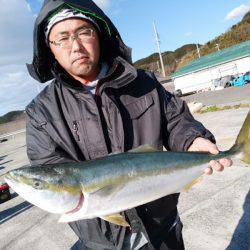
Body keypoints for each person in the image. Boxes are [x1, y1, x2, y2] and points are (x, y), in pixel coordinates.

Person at [26, 0, 232, 249]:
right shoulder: (41, 111)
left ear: (99, 34)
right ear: (50, 47)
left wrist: (193, 138)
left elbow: (176, 120)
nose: (76, 46)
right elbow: (50, 168)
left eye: (84, 32)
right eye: (63, 38)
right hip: (101, 241)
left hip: (161, 228)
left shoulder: (143, 81)